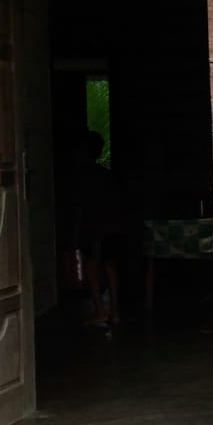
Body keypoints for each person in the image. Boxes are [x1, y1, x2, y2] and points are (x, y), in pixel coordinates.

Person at [70, 130, 135, 326]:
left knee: (91, 266)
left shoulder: (82, 176)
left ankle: (100, 311)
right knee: (110, 267)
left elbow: (80, 207)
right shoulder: (107, 175)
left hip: (94, 229)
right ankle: (115, 312)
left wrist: (74, 234)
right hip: (113, 227)